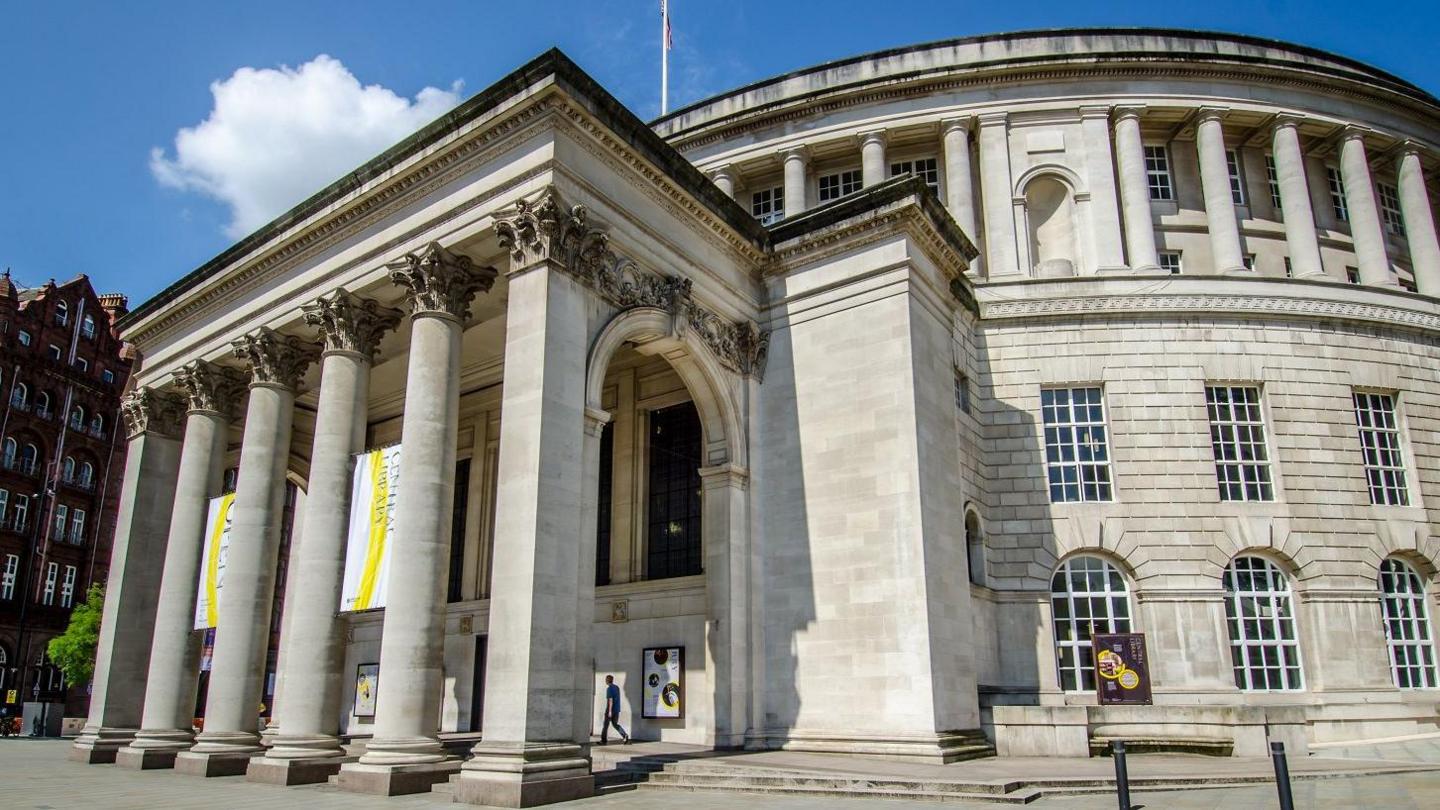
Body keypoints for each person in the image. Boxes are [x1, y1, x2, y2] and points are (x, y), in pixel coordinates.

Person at [599, 675, 630, 745]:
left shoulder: (609, 689)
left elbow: (610, 700)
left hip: (611, 709)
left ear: (607, 680)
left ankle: (603, 740)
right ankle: (624, 735)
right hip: (617, 709)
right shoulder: (617, 687)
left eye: (606, 679)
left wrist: (609, 711)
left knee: (605, 725)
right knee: (615, 724)